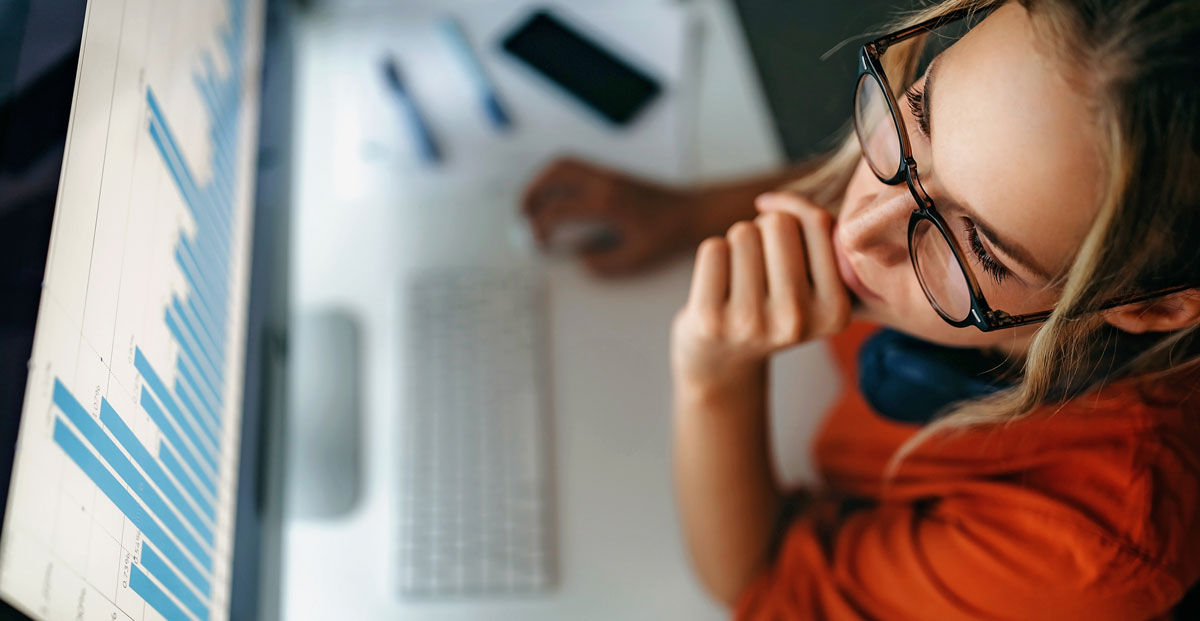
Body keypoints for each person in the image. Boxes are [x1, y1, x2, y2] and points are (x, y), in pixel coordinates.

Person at [522, 0, 1200, 617]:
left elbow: (768, 585)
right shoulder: (914, 224)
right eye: (915, 119)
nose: (857, 230)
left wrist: (716, 378)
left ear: (1154, 307)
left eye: (979, 249)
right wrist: (689, 212)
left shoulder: (1096, 543)